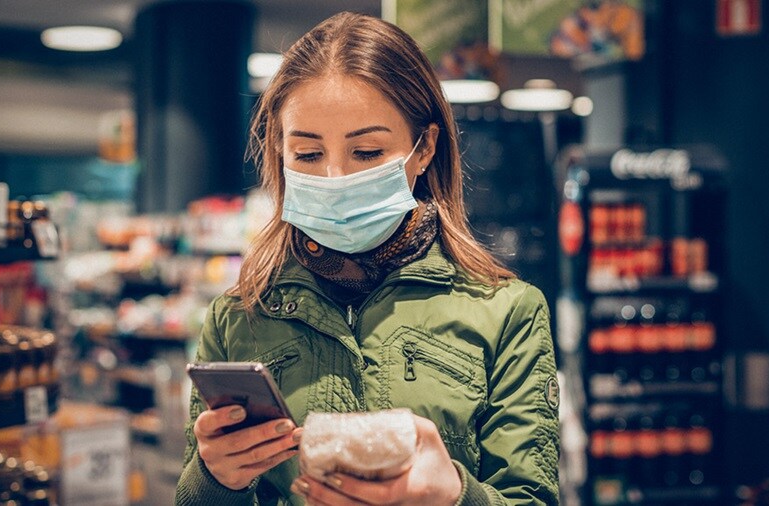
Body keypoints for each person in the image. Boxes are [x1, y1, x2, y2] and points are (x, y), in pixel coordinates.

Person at [175, 11, 559, 506]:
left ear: (424, 149)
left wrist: (455, 495)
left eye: (368, 152)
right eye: (308, 155)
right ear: (280, 152)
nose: (335, 178)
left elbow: (531, 497)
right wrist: (214, 480)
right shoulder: (237, 317)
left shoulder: (507, 312)